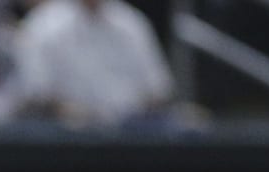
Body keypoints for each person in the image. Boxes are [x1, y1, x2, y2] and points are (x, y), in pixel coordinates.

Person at [13, 0, 174, 129]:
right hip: (64, 137)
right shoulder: (43, 25)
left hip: (131, 133)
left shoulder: (131, 23)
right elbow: (36, 94)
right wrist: (76, 114)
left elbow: (158, 89)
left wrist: (124, 117)